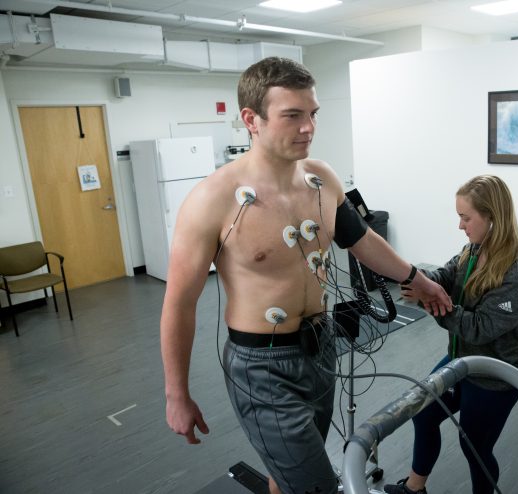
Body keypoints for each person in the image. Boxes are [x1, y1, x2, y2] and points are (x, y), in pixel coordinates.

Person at [160, 56, 452, 494]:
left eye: (312, 114)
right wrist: (176, 394)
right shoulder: (211, 200)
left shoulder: (322, 178)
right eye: (292, 115)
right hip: (261, 366)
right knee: (317, 486)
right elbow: (179, 304)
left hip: (321, 347)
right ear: (250, 120)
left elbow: (363, 241)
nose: (308, 128)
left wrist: (418, 277)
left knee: (288, 473)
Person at [384, 175, 518, 494]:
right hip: (460, 360)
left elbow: (479, 327)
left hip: (494, 375)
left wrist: (435, 301)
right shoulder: (473, 249)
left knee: (475, 449)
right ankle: (414, 489)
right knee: (423, 412)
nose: (460, 226)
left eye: (465, 218)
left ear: (492, 217)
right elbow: (449, 273)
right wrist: (425, 282)